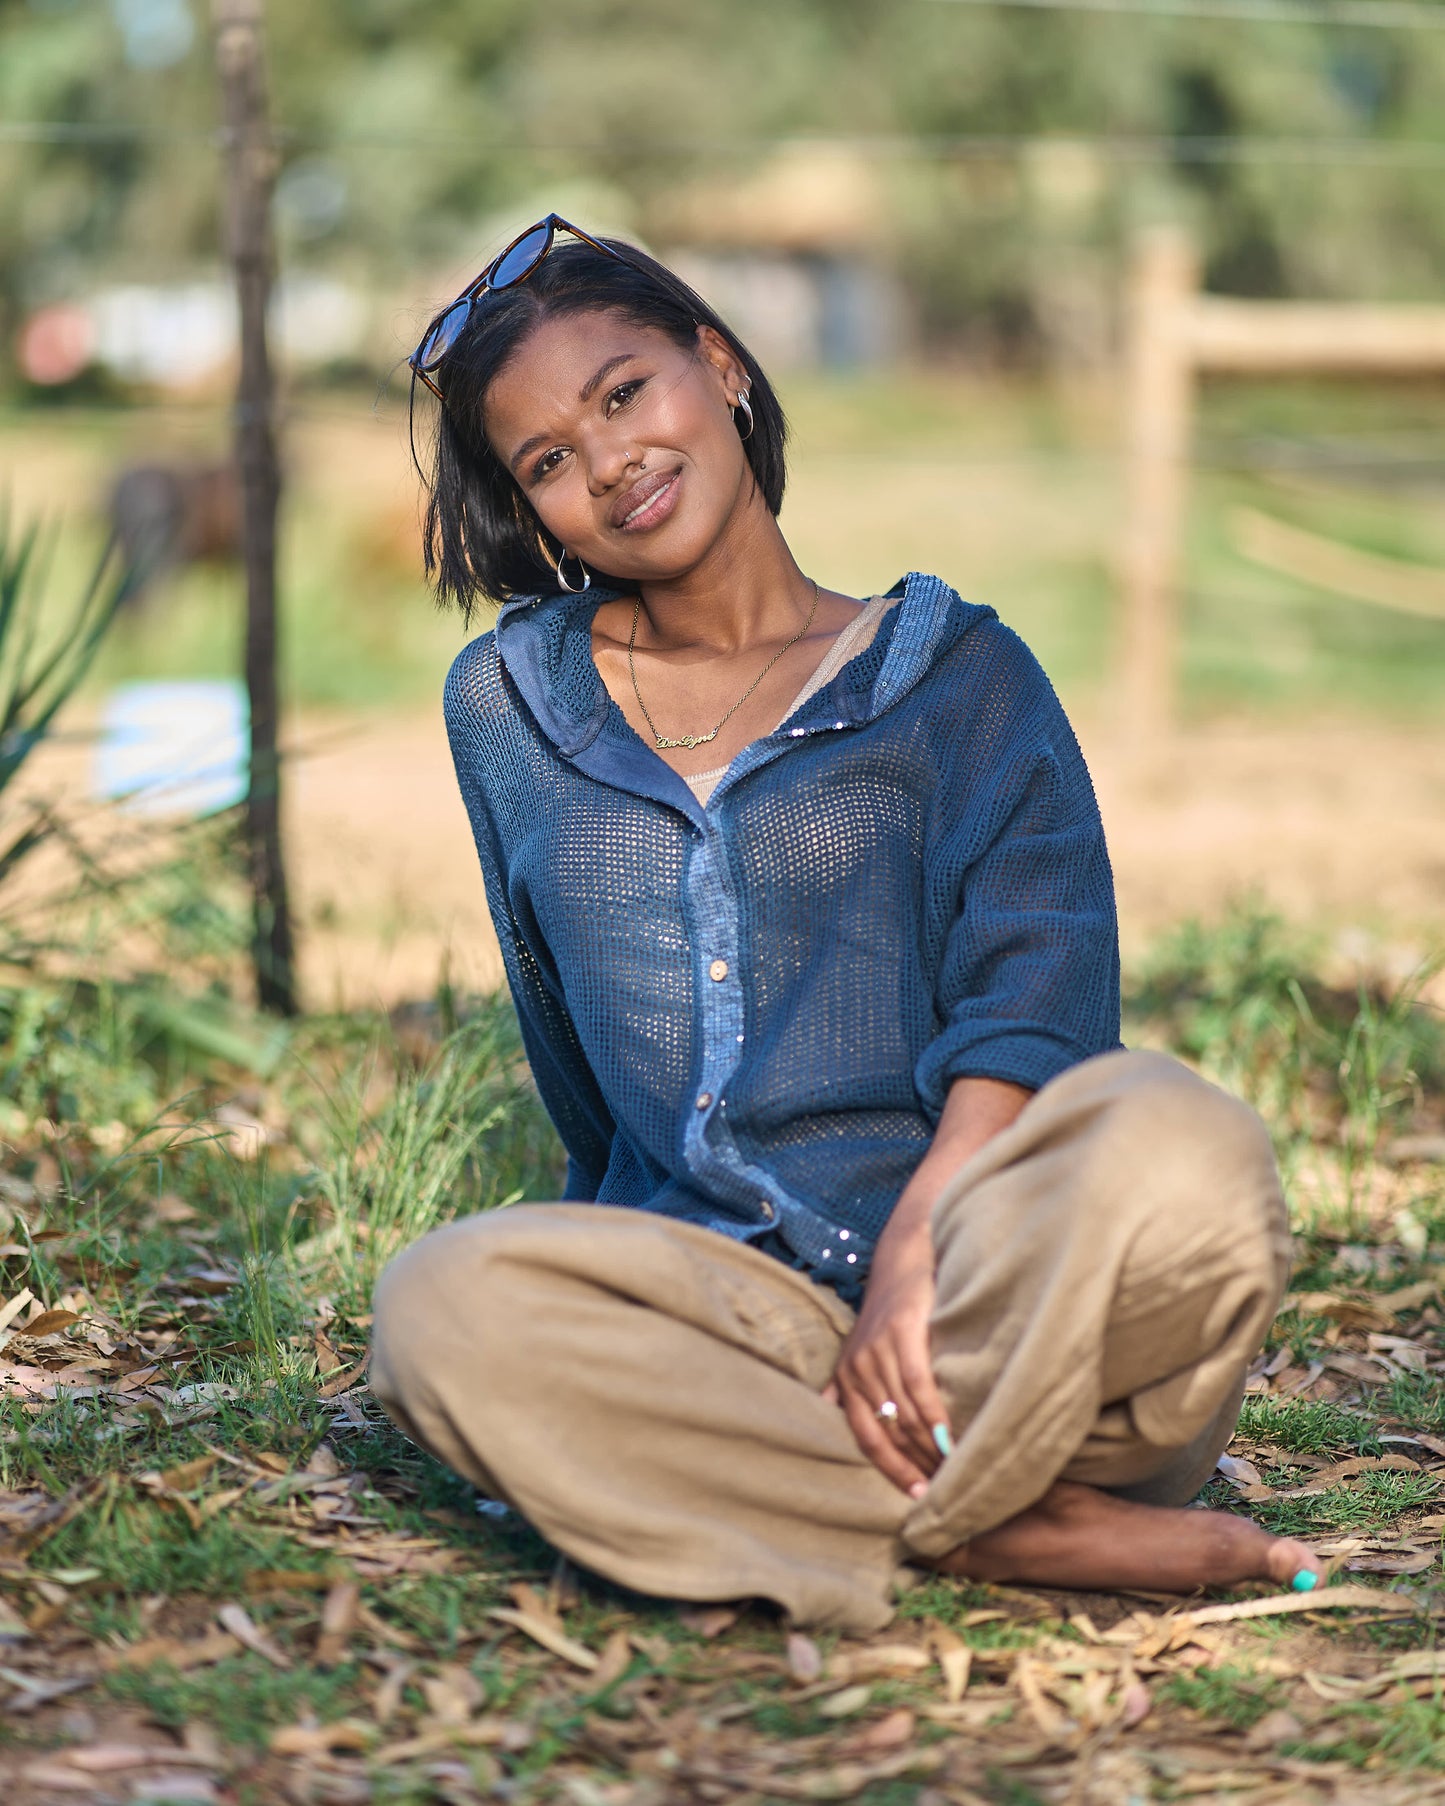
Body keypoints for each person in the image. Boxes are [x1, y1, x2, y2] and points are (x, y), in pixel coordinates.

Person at [371, 217, 1321, 1633]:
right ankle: (1006, 1526)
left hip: (1003, 1308)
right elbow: (570, 1059)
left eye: (624, 393)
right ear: (536, 514)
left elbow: (1039, 1007)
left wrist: (920, 1252)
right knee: (436, 1307)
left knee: (1184, 1143)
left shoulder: (963, 676)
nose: (609, 460)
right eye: (548, 461)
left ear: (723, 366)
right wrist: (627, 1306)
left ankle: (845, 1495)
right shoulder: (508, 707)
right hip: (724, 1325)